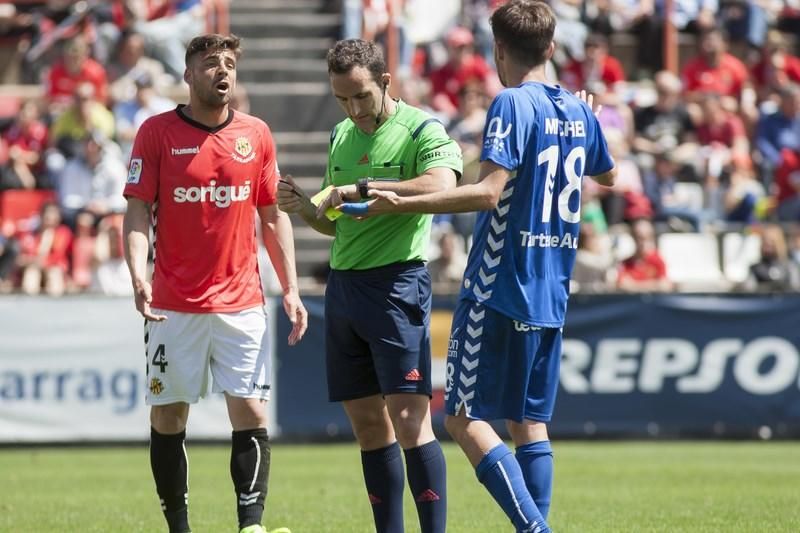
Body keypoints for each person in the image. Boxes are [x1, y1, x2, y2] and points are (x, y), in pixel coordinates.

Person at [342, 2, 616, 531]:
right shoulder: (580, 111)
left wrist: (402, 202)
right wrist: (589, 118)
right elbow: (608, 174)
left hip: (500, 284)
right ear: (552, 49)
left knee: (463, 419)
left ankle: (536, 529)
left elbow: (490, 194)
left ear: (497, 50)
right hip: (552, 288)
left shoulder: (512, 102)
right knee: (529, 425)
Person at [122, 34, 307, 533]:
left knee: (250, 413)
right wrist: (137, 274)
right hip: (172, 305)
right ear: (187, 75)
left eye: (228, 63)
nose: (221, 71)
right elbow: (137, 209)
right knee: (168, 419)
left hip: (242, 302)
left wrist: (289, 286)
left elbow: (272, 215)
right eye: (209, 64)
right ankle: (179, 527)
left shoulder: (257, 134)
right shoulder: (156, 132)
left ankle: (251, 525)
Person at [277, 38, 462, 533]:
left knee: (409, 422)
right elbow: (337, 224)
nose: (353, 109)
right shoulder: (341, 134)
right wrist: (305, 208)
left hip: (397, 285)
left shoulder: (422, 127)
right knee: (367, 427)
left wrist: (361, 188)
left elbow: (443, 185)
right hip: (344, 290)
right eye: (341, 98)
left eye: (360, 95)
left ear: (384, 82)